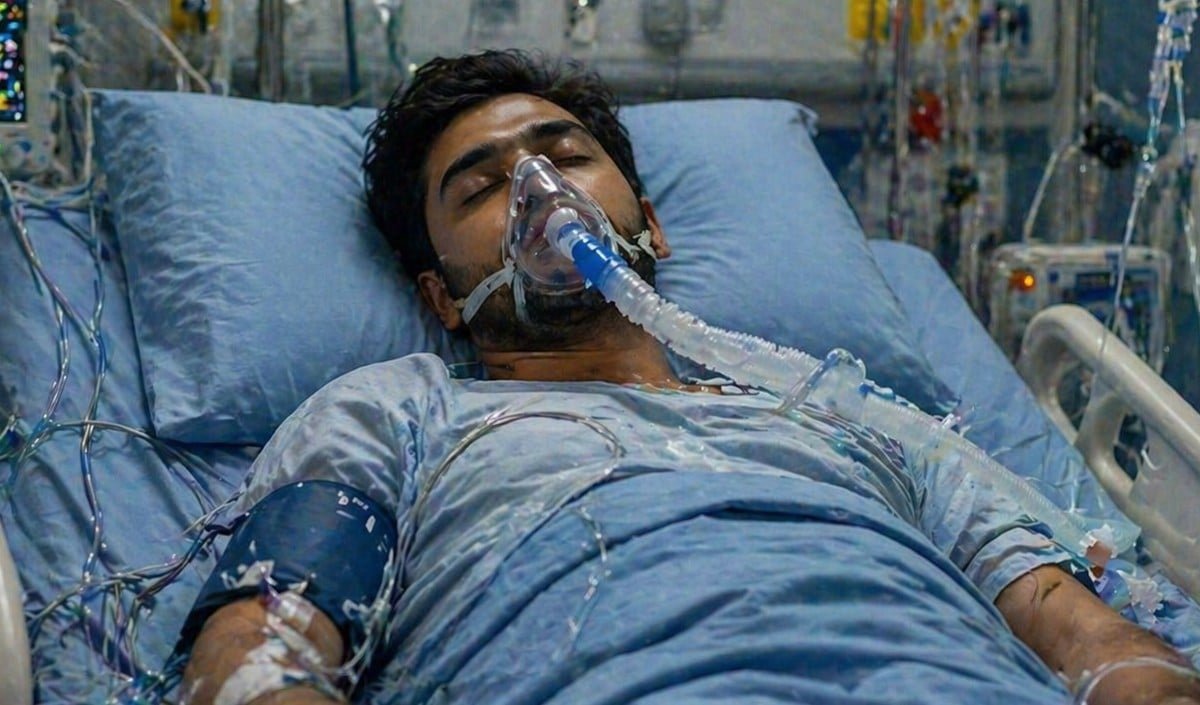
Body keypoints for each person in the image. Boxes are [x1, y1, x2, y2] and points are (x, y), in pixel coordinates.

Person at [176, 50, 1200, 705]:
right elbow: (261, 649)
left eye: (566, 155)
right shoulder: (395, 409)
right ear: (441, 296)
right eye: (481, 187)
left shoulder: (846, 413)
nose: (538, 190)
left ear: (651, 228)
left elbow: (1094, 641)